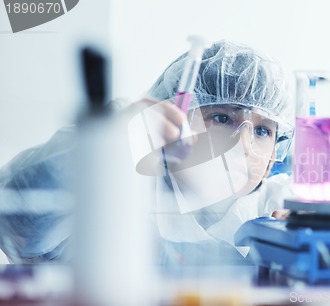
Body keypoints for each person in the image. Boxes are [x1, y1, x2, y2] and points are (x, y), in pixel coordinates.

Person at [0, 40, 297, 264]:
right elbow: (16, 228)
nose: (243, 146)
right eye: (221, 118)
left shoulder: (279, 209)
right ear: (173, 115)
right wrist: (110, 145)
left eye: (262, 131)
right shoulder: (117, 188)